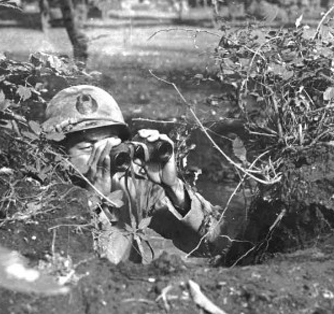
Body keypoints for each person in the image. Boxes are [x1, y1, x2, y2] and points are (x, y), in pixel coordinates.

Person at [43, 85, 225, 264]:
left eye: (111, 145)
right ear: (58, 152)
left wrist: (174, 189)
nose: (103, 155)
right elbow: (80, 267)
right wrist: (94, 201)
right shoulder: (41, 196)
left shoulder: (129, 186)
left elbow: (211, 245)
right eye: (88, 147)